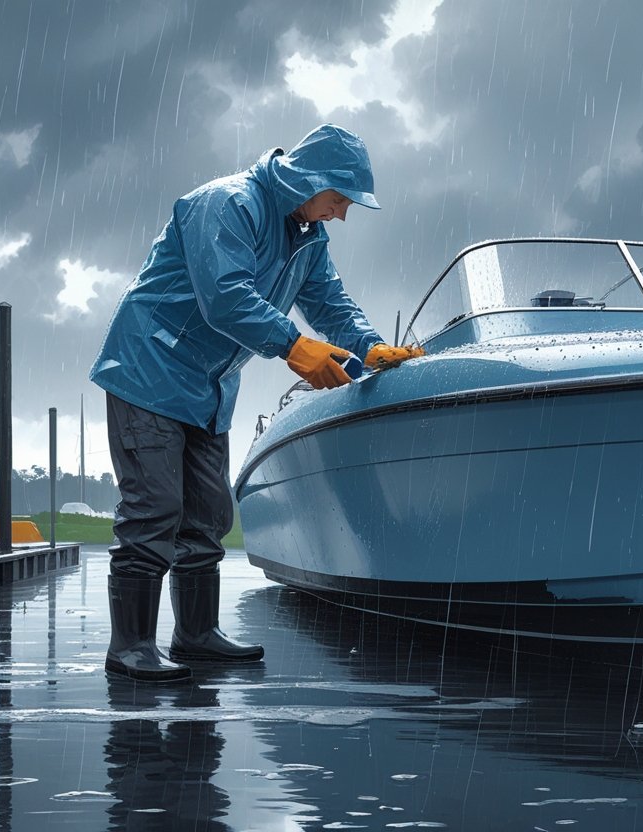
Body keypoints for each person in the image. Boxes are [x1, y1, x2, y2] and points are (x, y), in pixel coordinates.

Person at [89, 124, 422, 683]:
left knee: (209, 516)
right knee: (154, 511)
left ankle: (195, 636)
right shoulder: (226, 204)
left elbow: (330, 303)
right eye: (339, 199)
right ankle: (129, 648)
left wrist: (370, 347)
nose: (342, 214)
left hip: (210, 386)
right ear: (309, 181)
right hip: (149, 370)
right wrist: (293, 346)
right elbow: (224, 297)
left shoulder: (308, 237)